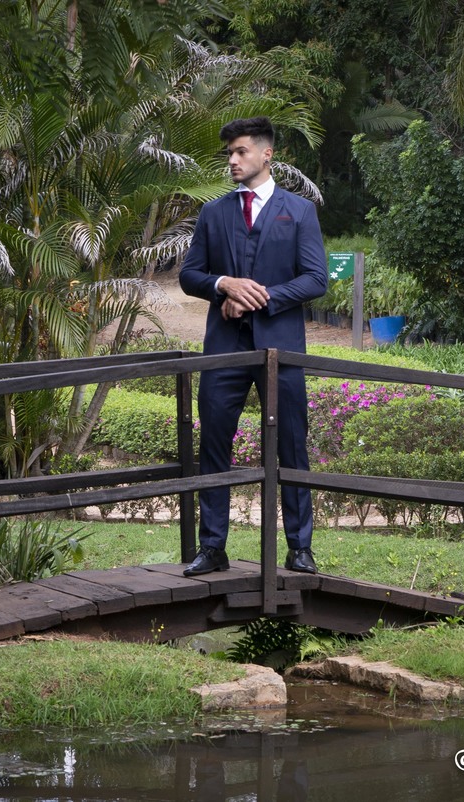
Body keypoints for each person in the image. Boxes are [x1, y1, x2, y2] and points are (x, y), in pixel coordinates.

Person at [179, 116, 328, 576]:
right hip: (224, 350)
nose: (233, 160)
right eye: (229, 153)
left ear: (267, 154)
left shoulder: (299, 211)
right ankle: (212, 547)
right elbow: (190, 275)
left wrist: (257, 298)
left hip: (281, 351)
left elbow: (315, 279)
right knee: (214, 444)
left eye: (241, 151)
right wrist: (224, 284)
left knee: (292, 446)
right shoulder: (214, 213)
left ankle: (300, 549)